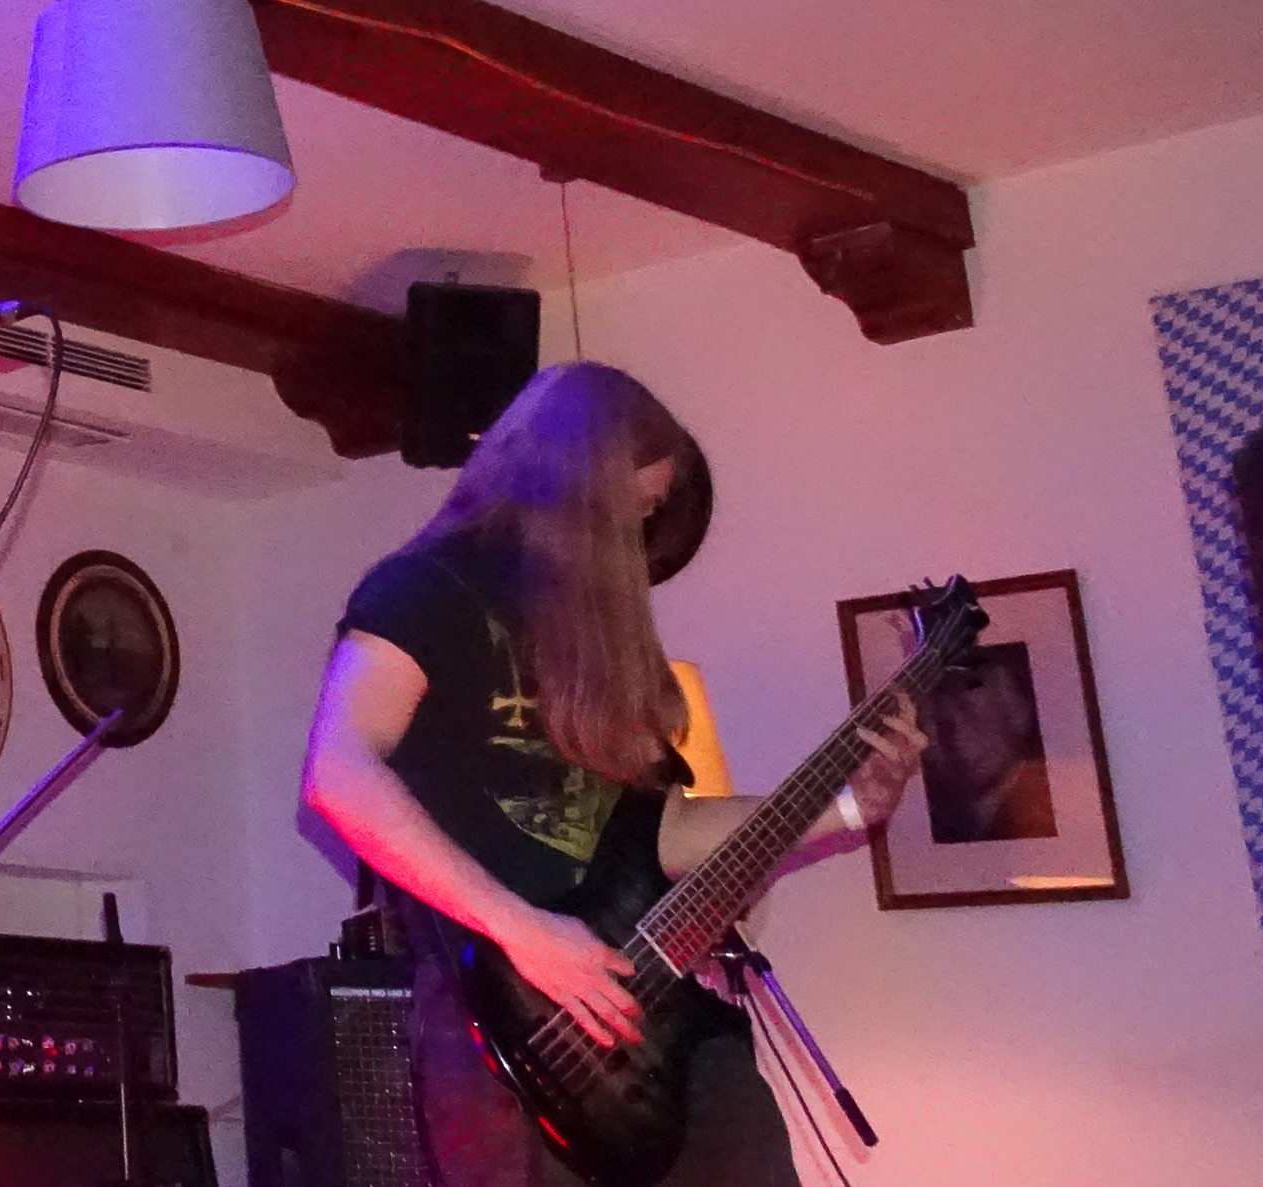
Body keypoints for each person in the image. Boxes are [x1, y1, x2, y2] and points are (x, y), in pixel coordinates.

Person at [297, 362, 927, 1187]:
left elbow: (663, 828)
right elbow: (339, 771)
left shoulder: (599, 641)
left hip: (660, 1025)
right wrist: (523, 932)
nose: (639, 529)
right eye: (637, 504)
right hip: (504, 1028)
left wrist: (845, 806)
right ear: (576, 486)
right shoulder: (426, 588)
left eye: (652, 509)